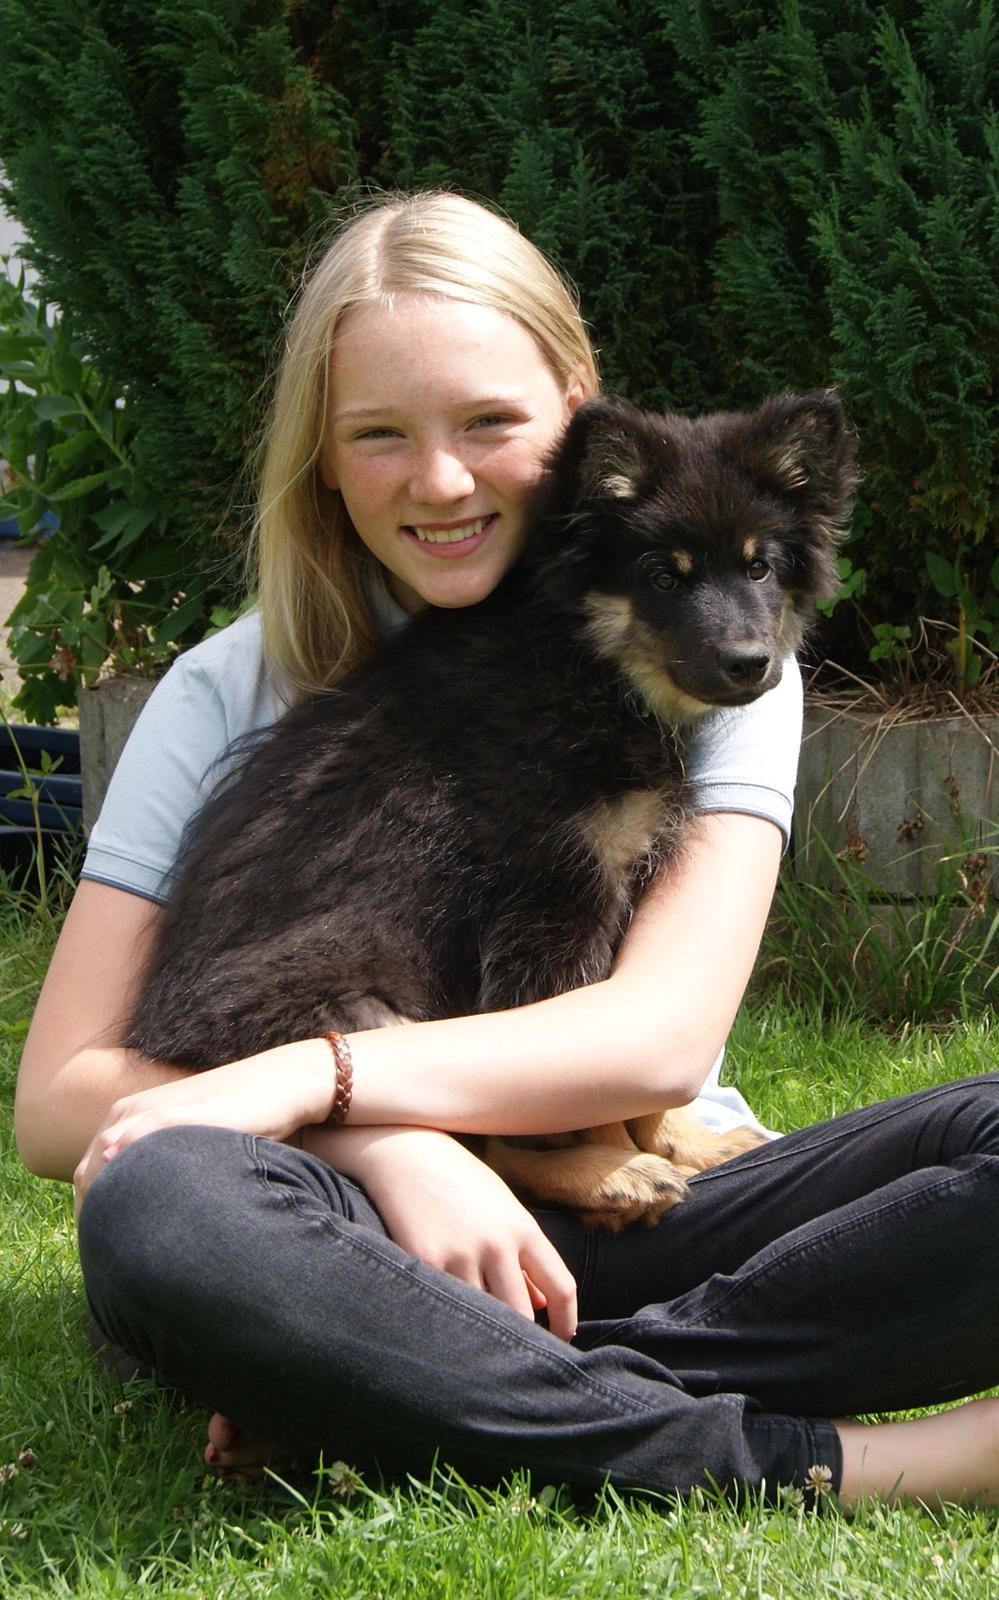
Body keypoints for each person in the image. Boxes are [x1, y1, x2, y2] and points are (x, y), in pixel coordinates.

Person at [14, 190, 999, 1510]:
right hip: (347, 1222)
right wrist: (388, 1145)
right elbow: (66, 1100)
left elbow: (653, 1040)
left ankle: (400, 1392)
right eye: (380, 436)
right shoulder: (222, 690)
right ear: (320, 455)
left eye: (490, 422)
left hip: (648, 1198)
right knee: (160, 1211)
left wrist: (333, 1074)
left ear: (580, 425)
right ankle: (801, 1456)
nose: (441, 480)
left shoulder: (703, 648)